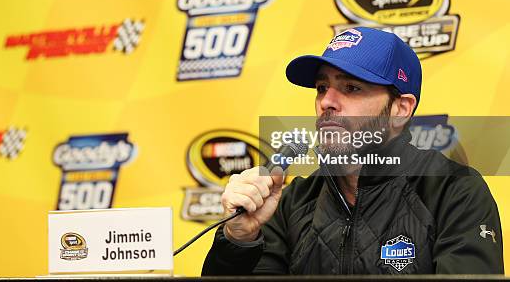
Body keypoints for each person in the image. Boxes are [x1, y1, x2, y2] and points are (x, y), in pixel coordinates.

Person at [201, 27, 504, 275]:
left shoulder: (454, 190)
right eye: (322, 88)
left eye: (351, 88)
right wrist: (238, 241)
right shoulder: (292, 200)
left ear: (400, 109)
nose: (326, 102)